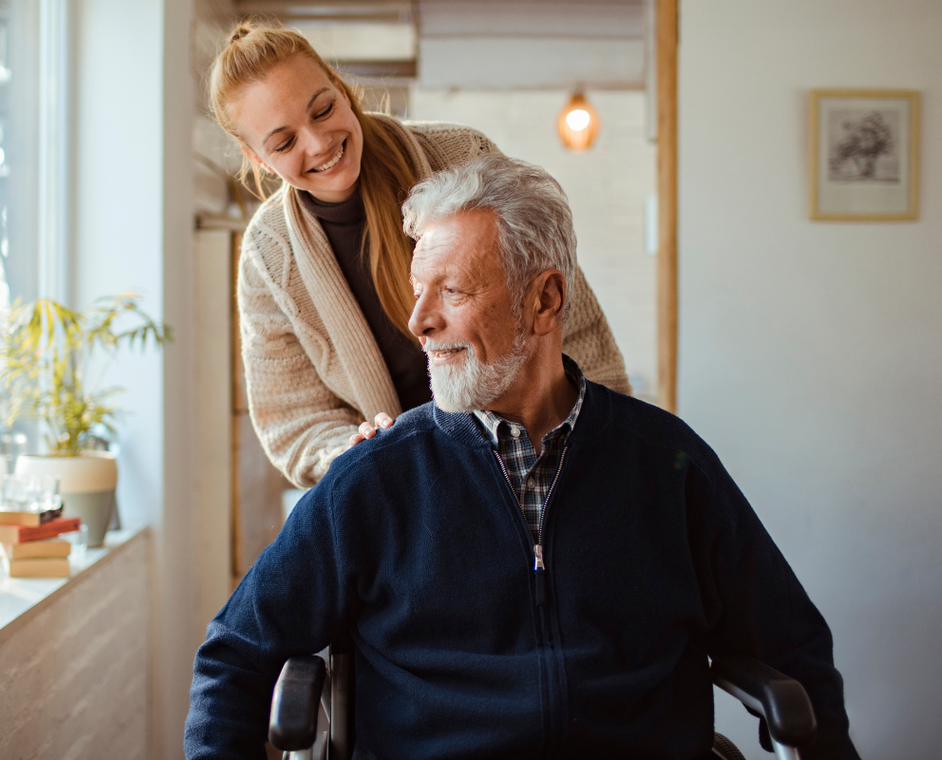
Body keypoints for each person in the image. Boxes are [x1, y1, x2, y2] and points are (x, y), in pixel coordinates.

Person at [184, 155, 859, 760]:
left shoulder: (667, 464)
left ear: (545, 301)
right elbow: (235, 656)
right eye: (418, 291)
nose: (418, 321)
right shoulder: (378, 477)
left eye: (450, 292)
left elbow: (791, 648)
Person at [210, 22, 632, 488]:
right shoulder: (267, 255)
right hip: (407, 490)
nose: (318, 143)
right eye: (284, 142)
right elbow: (294, 420)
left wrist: (607, 440)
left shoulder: (462, 155)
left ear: (342, 89)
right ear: (259, 160)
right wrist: (349, 450)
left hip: (536, 456)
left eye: (324, 109)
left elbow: (565, 315)